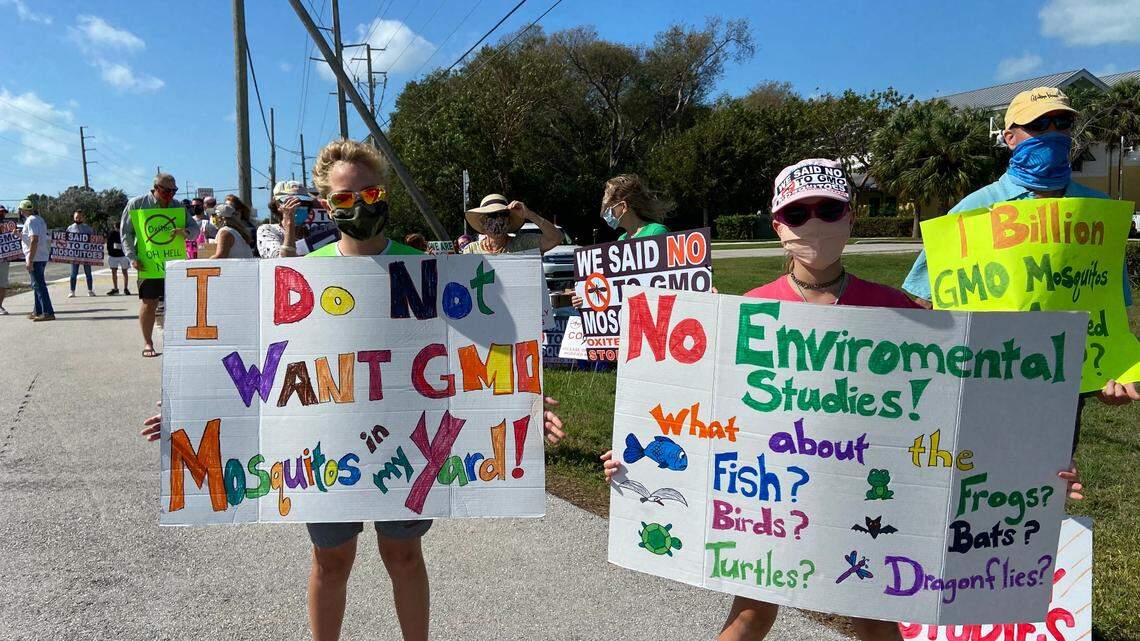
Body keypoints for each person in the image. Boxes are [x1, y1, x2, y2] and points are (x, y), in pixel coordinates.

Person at [600, 159, 1084, 641]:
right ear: (777, 226)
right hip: (772, 497)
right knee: (751, 614)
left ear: (851, 218)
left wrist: (1032, 468)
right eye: (798, 214)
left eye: (829, 210)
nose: (814, 223)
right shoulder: (747, 309)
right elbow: (703, 414)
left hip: (873, 499)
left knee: (875, 620)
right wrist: (637, 461)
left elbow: (968, 400)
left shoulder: (900, 313)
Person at [259, 138, 564, 641]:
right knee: (330, 561)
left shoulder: (428, 269)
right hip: (327, 445)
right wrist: (192, 409)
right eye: (344, 198)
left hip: (408, 443)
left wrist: (524, 398)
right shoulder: (303, 273)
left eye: (370, 193)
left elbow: (480, 349)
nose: (359, 205)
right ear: (327, 204)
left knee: (403, 555)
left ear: (383, 194)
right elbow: (258, 361)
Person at [901, 86, 1139, 405]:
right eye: (1038, 125)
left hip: (1063, 386)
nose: (1052, 133)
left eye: (1062, 123)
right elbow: (923, 305)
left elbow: (1108, 308)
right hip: (983, 384)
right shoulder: (971, 211)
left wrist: (1111, 377)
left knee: (1057, 458)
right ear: (1009, 137)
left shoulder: (1098, 209)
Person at [120, 172, 199, 358]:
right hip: (149, 262)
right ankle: (148, 342)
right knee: (149, 303)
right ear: (155, 188)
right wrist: (132, 257)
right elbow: (126, 233)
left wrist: (185, 231)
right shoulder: (137, 204)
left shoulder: (178, 207)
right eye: (166, 190)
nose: (170, 194)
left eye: (174, 190)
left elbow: (194, 230)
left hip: (174, 262)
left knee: (177, 304)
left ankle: (177, 341)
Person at [461, 193, 561, 255]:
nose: (499, 219)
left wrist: (530, 215)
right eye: (493, 215)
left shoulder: (523, 244)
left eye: (503, 214)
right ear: (483, 222)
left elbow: (556, 238)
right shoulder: (471, 251)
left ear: (509, 221)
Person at [600, 173, 672, 240]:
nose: (605, 216)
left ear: (623, 206)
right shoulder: (621, 239)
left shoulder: (656, 232)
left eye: (609, 210)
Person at [18, 199, 54, 321]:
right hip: (41, 256)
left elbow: (34, 240)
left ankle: (48, 312)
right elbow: (32, 239)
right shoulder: (39, 219)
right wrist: (20, 235)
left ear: (22, 210)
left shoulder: (30, 221)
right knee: (36, 285)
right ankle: (38, 311)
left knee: (39, 285)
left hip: (36, 258)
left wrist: (30, 259)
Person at [257, 180, 314, 258]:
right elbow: (282, 261)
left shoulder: (313, 231)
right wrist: (290, 222)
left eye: (303, 203)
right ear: (278, 205)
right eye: (291, 202)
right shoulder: (268, 230)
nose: (298, 206)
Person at [66, 210, 97, 297]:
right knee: (73, 274)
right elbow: (66, 241)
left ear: (83, 218)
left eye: (79, 217)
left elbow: (93, 239)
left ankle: (90, 290)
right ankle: (72, 291)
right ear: (74, 217)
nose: (78, 219)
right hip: (74, 256)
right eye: (76, 217)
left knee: (88, 274)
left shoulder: (88, 228)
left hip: (86, 255)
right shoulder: (70, 228)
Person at [104, 219, 131, 295]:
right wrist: (110, 252)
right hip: (114, 255)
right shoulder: (112, 233)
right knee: (115, 272)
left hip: (122, 255)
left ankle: (125, 288)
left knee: (124, 272)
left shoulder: (124, 233)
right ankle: (116, 288)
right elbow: (109, 244)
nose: (117, 229)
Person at [0, 204, 10, 315]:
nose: (2, 214)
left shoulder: (8, 226)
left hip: (4, 259)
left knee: (2, 284)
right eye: (0, 212)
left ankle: (0, 306)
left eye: (3, 212)